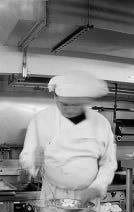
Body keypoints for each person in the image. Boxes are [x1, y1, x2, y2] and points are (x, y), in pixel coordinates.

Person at [20, 71, 116, 204]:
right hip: (52, 196)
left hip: (88, 196)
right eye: (64, 104)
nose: (69, 109)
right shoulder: (41, 120)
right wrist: (33, 161)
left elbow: (108, 162)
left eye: (76, 105)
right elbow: (27, 156)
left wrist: (98, 187)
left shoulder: (101, 123)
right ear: (55, 97)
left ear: (84, 102)